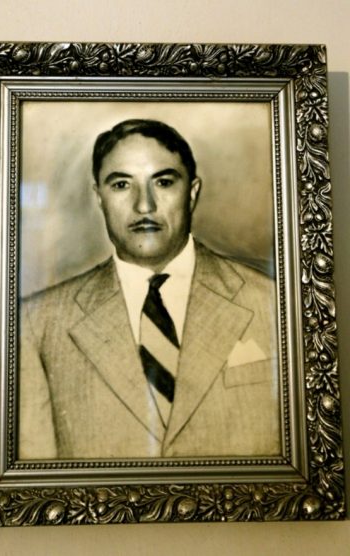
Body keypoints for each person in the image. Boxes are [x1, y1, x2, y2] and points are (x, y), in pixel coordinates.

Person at [19, 119, 280, 460]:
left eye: (164, 181)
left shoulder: (274, 302)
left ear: (193, 191)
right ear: (98, 197)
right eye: (122, 184)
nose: (145, 206)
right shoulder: (37, 323)